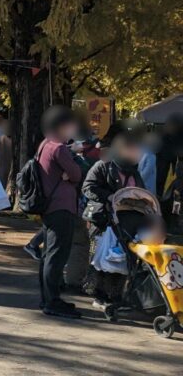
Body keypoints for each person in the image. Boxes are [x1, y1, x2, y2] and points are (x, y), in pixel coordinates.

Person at [82, 129, 145, 308]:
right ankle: (100, 296)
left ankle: (116, 296)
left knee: (121, 259)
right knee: (103, 259)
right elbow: (88, 187)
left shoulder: (134, 170)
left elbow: (141, 191)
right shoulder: (104, 165)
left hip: (128, 222)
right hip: (104, 220)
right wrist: (109, 196)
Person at [35, 105, 84, 319]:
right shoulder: (59, 148)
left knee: (48, 255)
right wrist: (71, 168)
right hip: (62, 206)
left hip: (49, 207)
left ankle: (47, 298)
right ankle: (52, 301)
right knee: (56, 255)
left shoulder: (45, 145)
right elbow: (76, 174)